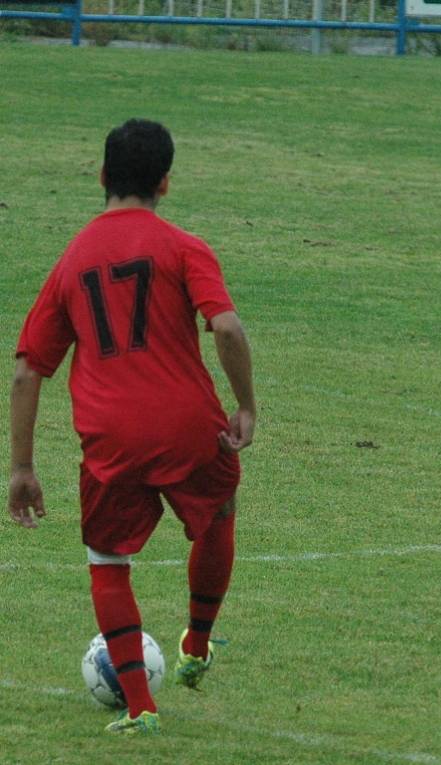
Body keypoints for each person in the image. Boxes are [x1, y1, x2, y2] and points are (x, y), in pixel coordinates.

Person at [7, 119, 256, 732]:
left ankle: (141, 709)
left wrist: (21, 466)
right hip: (187, 426)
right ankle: (197, 642)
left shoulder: (73, 261)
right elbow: (225, 327)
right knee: (219, 509)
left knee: (106, 557)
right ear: (165, 184)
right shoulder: (182, 246)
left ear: (101, 178)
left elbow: (27, 370)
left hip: (110, 436)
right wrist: (245, 404)